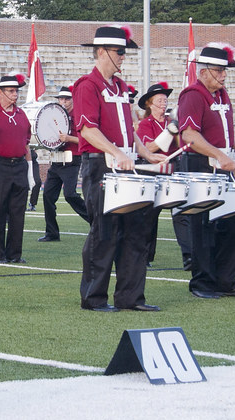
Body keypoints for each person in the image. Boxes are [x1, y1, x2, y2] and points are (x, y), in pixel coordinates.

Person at [73, 26, 165, 312]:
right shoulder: (87, 85)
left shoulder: (122, 87)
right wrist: (116, 152)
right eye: (120, 52)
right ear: (102, 52)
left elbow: (128, 130)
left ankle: (130, 298)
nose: (124, 56)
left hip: (125, 165)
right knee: (105, 233)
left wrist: (147, 154)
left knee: (136, 231)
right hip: (100, 165)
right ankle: (94, 298)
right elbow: (87, 129)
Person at [175, 43, 235, 298]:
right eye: (219, 71)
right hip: (201, 165)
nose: (223, 75)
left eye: (224, 71)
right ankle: (202, 282)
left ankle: (226, 280)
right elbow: (190, 134)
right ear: (203, 72)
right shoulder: (192, 95)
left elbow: (223, 133)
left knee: (233, 221)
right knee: (203, 225)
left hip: (222, 164)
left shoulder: (222, 95)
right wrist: (219, 154)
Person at [0, 73, 35, 264]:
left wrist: (30, 171)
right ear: (0, 92)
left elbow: (26, 145)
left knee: (18, 213)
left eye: (16, 91)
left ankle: (14, 254)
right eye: (11, 91)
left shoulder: (21, 114)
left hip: (19, 165)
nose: (15, 95)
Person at [134, 82, 179, 265]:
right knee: (149, 216)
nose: (163, 103)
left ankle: (190, 254)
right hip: (152, 172)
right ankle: (145, 255)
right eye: (159, 100)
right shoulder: (146, 124)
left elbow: (181, 143)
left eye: (165, 100)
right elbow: (148, 148)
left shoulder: (171, 122)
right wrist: (169, 133)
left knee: (181, 213)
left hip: (173, 171)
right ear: (150, 104)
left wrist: (177, 130)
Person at [38, 84, 90, 242]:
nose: (63, 101)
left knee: (70, 194)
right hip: (56, 160)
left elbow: (87, 138)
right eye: (61, 99)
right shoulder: (55, 114)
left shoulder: (79, 114)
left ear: (73, 99)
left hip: (71, 159)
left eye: (67, 99)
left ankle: (96, 222)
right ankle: (52, 232)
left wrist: (69, 138)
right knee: (47, 195)